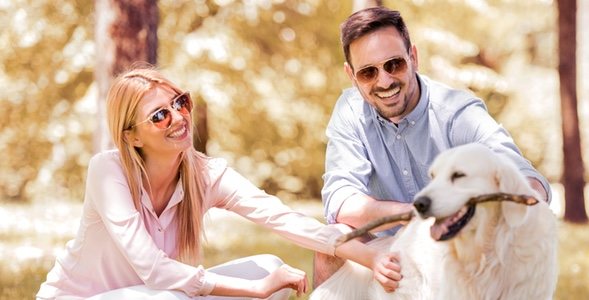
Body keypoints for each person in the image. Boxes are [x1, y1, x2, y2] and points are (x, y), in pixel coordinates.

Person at [36, 68, 402, 300]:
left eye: (180, 103)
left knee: (269, 265)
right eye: (160, 116)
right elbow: (153, 269)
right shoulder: (108, 171)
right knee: (173, 296)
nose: (178, 118)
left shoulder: (205, 174)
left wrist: (364, 252)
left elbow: (281, 218)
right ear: (132, 137)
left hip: (150, 293)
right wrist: (254, 290)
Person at [313, 6, 552, 286]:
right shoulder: (349, 112)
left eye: (394, 64)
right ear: (351, 75)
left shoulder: (457, 111)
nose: (385, 81)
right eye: (368, 73)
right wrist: (415, 213)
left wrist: (525, 199)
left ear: (413, 57)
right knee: (333, 243)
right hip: (385, 249)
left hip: (451, 243)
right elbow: (341, 199)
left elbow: (517, 171)